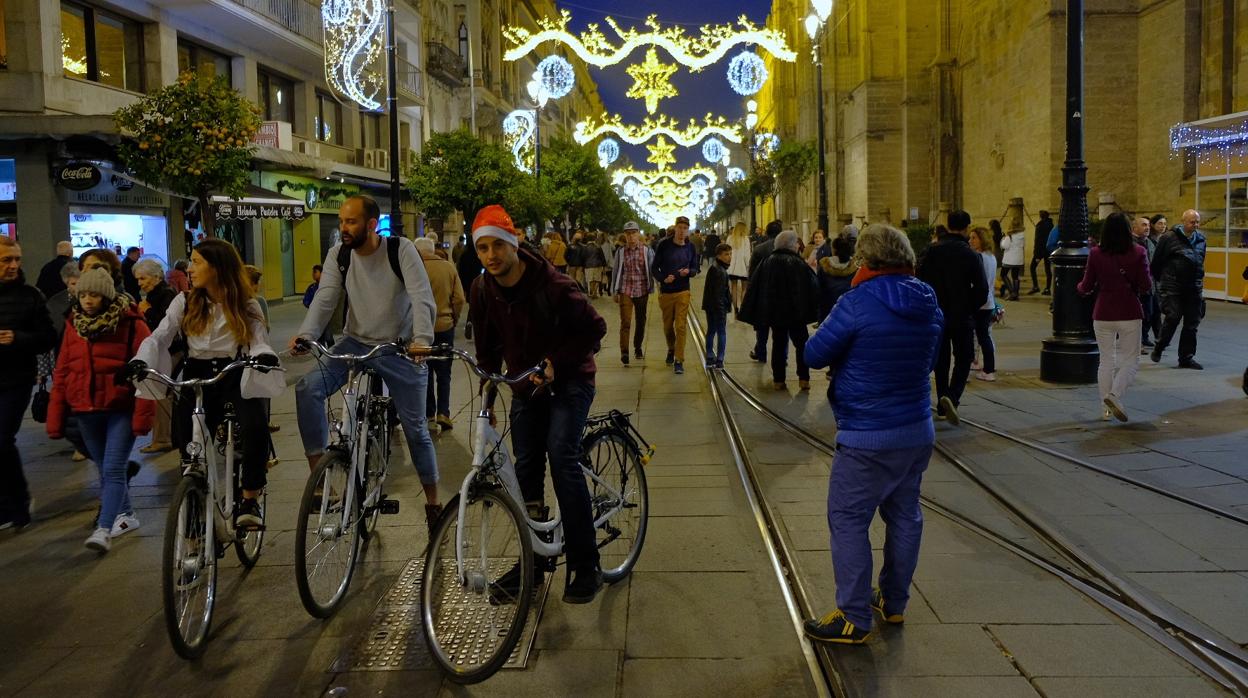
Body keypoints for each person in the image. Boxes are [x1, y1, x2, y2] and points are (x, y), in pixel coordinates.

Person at [801, 224, 943, 645]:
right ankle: (894, 602)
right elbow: (931, 361)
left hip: (867, 434)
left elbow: (813, 354)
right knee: (905, 515)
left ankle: (853, 616)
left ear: (865, 261)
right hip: (916, 429)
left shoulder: (856, 302)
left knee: (847, 519)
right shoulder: (928, 302)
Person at [461, 204, 608, 604]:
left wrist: (555, 364)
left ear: (514, 243)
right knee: (525, 468)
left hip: (572, 379)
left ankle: (586, 563)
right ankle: (534, 562)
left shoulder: (554, 285)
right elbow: (489, 348)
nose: (491, 256)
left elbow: (595, 329)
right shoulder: (481, 289)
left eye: (497, 246)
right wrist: (487, 392)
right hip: (526, 387)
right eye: (482, 249)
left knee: (561, 456)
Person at [291, 195, 441, 531]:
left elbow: (421, 297)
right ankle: (320, 476)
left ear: (371, 225)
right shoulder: (339, 254)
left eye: (351, 222)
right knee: (308, 388)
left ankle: (433, 502)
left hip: (400, 348)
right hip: (355, 342)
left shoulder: (400, 250)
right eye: (342, 221)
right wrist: (307, 334)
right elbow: (326, 295)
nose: (344, 228)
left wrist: (422, 341)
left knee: (417, 430)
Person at [133, 239, 280, 529]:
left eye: (197, 261)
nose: (190, 268)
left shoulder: (245, 302)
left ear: (218, 267)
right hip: (196, 375)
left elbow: (258, 339)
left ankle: (250, 497)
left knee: (255, 427)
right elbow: (161, 335)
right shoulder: (184, 301)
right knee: (189, 444)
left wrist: (263, 357)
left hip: (235, 372)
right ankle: (193, 503)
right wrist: (141, 359)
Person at [48, 268, 153, 552]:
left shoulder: (131, 322)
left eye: (94, 294)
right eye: (83, 294)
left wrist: (144, 415)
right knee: (104, 469)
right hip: (84, 409)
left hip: (120, 408)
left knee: (114, 468)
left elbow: (147, 369)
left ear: (106, 295)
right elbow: (63, 370)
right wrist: (55, 414)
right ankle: (128, 515)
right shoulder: (74, 324)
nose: (88, 300)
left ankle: (104, 529)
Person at [0, 236, 58, 530]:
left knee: (2, 439)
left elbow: (48, 337)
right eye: (6, 260)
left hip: (16, 379)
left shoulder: (30, 295)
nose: (13, 265)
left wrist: (17, 338)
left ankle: (17, 505)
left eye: (16, 259)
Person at [1077, 212, 1151, 422]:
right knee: (1131, 359)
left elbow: (1086, 286)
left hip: (1103, 313)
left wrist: (1079, 287)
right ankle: (1115, 395)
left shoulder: (1096, 253)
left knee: (1106, 360)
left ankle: (1105, 409)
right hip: (1129, 311)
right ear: (1128, 230)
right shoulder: (1138, 252)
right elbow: (1146, 285)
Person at [916, 210, 987, 425]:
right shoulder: (971, 254)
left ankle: (941, 399)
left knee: (942, 357)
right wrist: (970, 308)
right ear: (966, 228)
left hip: (936, 312)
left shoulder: (931, 251)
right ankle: (952, 397)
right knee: (964, 356)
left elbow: (918, 279)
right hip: (961, 314)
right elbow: (982, 289)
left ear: (947, 226)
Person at [740, 231, 819, 390]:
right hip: (797, 313)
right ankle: (804, 379)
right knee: (802, 344)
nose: (798, 245)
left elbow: (756, 286)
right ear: (791, 245)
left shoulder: (767, 262)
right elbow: (813, 286)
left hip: (776, 314)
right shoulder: (798, 263)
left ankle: (779, 380)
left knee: (778, 344)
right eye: (796, 243)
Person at [414, 237, 465, 433]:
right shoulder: (448, 268)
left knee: (424, 371)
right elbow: (459, 298)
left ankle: (428, 413)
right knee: (444, 373)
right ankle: (444, 413)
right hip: (445, 327)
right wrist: (453, 316)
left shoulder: (413, 269)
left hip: (420, 330)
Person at [1149, 210, 1206, 369]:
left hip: (1194, 286)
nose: (1195, 225)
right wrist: (1165, 281)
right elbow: (1156, 263)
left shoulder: (1201, 238)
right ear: (1183, 221)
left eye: (1197, 222)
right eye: (1192, 222)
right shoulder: (1169, 237)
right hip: (1172, 284)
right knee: (1173, 316)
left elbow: (1200, 260)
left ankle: (1186, 358)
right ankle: (1160, 346)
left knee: (1192, 323)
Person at [133, 258, 177, 454]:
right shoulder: (154, 294)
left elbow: (166, 325)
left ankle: (162, 438)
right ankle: (165, 436)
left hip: (169, 350)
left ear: (156, 277)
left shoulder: (165, 295)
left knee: (161, 393)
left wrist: (147, 310)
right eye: (138, 279)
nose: (140, 283)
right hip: (161, 349)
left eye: (143, 278)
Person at [651, 215, 701, 375]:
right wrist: (663, 279)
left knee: (680, 326)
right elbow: (654, 268)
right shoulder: (664, 245)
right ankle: (671, 349)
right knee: (667, 327)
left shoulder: (690, 247)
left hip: (683, 291)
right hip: (666, 292)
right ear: (675, 228)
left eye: (685, 228)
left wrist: (689, 272)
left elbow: (695, 268)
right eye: (680, 228)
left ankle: (679, 360)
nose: (682, 231)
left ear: (688, 230)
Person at [609, 221, 654, 366]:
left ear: (638, 234)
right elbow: (616, 271)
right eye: (628, 233)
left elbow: (652, 270)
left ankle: (638, 347)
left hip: (642, 290)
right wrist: (614, 291)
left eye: (633, 233)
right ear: (625, 235)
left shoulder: (647, 250)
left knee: (641, 321)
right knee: (626, 322)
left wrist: (655, 287)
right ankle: (624, 352)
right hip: (626, 290)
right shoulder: (621, 252)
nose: (631, 236)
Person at [747, 220, 783, 362]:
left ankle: (761, 352)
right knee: (780, 329)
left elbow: (752, 274)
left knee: (762, 326)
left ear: (766, 233)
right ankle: (781, 357)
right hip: (781, 294)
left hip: (763, 292)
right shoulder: (788, 249)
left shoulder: (759, 249)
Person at [968, 227, 997, 382]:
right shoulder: (991, 256)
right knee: (982, 335)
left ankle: (989, 369)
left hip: (980, 303)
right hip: (988, 302)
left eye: (974, 238)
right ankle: (977, 362)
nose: (970, 241)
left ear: (982, 239)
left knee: (981, 336)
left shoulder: (979, 257)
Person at [702, 243, 732, 369]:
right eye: (726, 254)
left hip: (710, 306)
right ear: (719, 256)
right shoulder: (720, 271)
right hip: (718, 308)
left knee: (711, 331)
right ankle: (719, 359)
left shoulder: (715, 267)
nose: (729, 257)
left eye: (730, 254)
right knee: (721, 332)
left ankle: (709, 356)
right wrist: (722, 310)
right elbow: (719, 294)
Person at [817, 233, 858, 321]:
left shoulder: (824, 266)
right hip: (849, 310)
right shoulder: (855, 267)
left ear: (834, 249)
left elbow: (819, 290)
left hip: (828, 309)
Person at [1132, 217, 1158, 349]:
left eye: (1148, 225)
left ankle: (1144, 337)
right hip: (1136, 286)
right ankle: (1138, 341)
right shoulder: (1131, 243)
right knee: (1138, 314)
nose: (1147, 227)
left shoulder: (1150, 242)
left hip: (1149, 284)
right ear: (1134, 227)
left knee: (1149, 312)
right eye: (1143, 225)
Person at [1146, 214, 1167, 341]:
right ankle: (1147, 336)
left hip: (1161, 278)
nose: (1163, 226)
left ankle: (1159, 336)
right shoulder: (1148, 241)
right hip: (1152, 278)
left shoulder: (1165, 239)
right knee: (1152, 309)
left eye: (1164, 224)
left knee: (1157, 308)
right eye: (1160, 223)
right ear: (1153, 225)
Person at [725, 222, 751, 314]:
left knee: (734, 288)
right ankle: (742, 310)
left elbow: (727, 253)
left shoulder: (730, 238)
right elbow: (746, 255)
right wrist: (749, 266)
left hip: (732, 268)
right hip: (743, 267)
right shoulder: (745, 239)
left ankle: (735, 309)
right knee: (744, 288)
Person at [1029, 210, 1054, 295]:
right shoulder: (1051, 225)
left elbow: (1038, 241)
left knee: (1032, 267)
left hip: (1040, 251)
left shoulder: (1040, 226)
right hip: (1048, 250)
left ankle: (1036, 286)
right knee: (1048, 270)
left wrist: (1036, 255)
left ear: (1041, 216)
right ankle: (1047, 288)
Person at [999, 224, 1025, 301]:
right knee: (1015, 276)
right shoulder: (1022, 236)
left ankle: (1012, 293)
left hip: (1009, 259)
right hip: (1018, 259)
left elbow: (1005, 246)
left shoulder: (1009, 236)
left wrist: (1003, 239)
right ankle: (1016, 294)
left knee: (1003, 274)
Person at [583, 234, 607, 298]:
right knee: (597, 279)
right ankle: (595, 292)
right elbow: (602, 257)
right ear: (594, 239)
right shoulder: (598, 247)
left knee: (590, 280)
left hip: (588, 265)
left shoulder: (585, 247)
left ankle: (592, 291)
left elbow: (583, 257)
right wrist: (604, 266)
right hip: (598, 265)